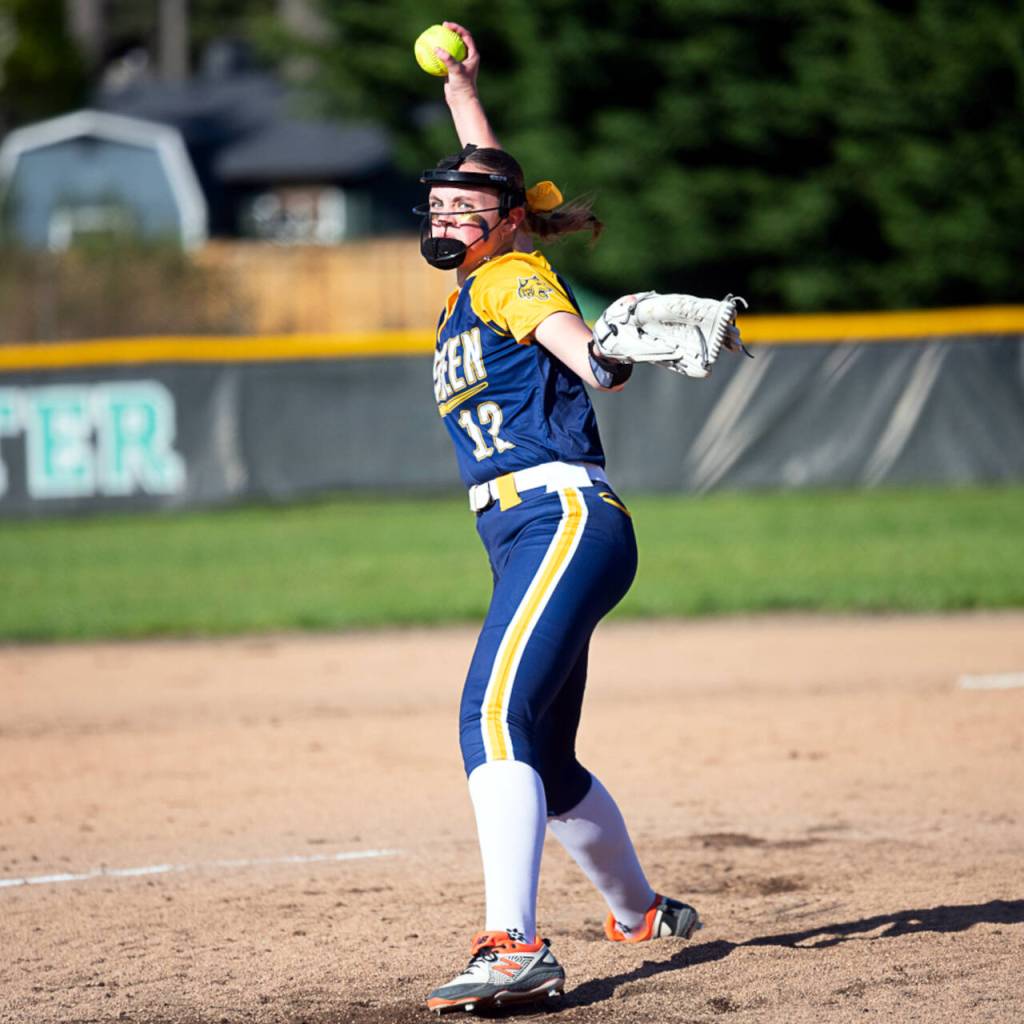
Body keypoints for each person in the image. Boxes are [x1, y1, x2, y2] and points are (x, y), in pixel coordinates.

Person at [420, 23, 703, 1016]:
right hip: (531, 534)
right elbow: (496, 175)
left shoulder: (507, 277)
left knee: (492, 717)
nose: (448, 210)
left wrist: (598, 355)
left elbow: (575, 344)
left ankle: (516, 947)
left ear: (503, 222)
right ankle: (637, 911)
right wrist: (462, 90)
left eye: (466, 202)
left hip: (558, 517)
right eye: (438, 199)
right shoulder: (480, 281)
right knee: (542, 748)